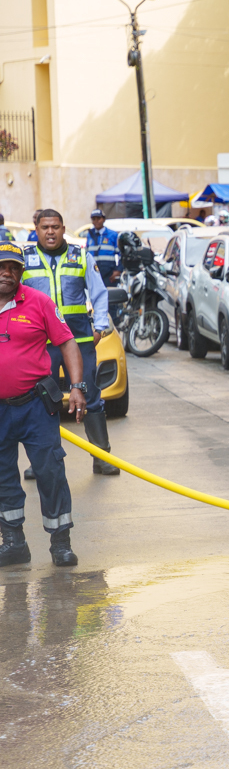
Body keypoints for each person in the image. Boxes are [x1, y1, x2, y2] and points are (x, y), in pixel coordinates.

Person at [0, 240, 87, 566]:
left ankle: (60, 543)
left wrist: (77, 387)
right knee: (2, 476)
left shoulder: (38, 302)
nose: (6, 273)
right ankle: (13, 543)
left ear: (21, 272)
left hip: (36, 405)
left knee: (50, 471)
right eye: (1, 267)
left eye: (13, 268)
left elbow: (67, 343)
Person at [23, 209, 119, 476]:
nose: (50, 232)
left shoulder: (81, 256)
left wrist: (99, 326)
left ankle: (102, 458)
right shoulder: (25, 260)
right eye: (45, 227)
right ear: (37, 229)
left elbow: (99, 294)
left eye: (55, 227)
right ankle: (40, 462)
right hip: (41, 344)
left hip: (79, 340)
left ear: (63, 228)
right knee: (41, 399)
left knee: (90, 396)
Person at [84, 210, 121, 286]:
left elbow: (121, 254)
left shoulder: (112, 235)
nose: (96, 221)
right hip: (93, 273)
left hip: (109, 274)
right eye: (94, 219)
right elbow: (86, 254)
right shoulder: (90, 235)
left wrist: (118, 270)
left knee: (110, 295)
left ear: (104, 219)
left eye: (98, 218)